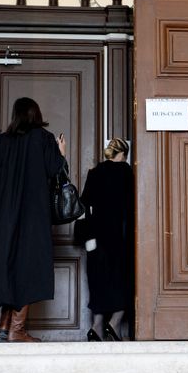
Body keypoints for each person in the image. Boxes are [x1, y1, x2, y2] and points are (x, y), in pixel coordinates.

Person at [0, 97, 66, 342]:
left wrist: (4, 209)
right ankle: (17, 330)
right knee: (28, 267)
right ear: (36, 115)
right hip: (34, 217)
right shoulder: (44, 139)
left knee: (9, 266)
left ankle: (4, 327)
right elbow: (56, 172)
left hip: (6, 219)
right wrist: (61, 152)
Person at [80, 138, 134, 341]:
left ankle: (96, 327)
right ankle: (115, 322)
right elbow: (131, 206)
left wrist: (87, 236)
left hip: (95, 237)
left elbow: (83, 205)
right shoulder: (126, 172)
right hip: (119, 236)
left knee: (99, 281)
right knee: (123, 280)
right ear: (124, 154)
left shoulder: (94, 173)